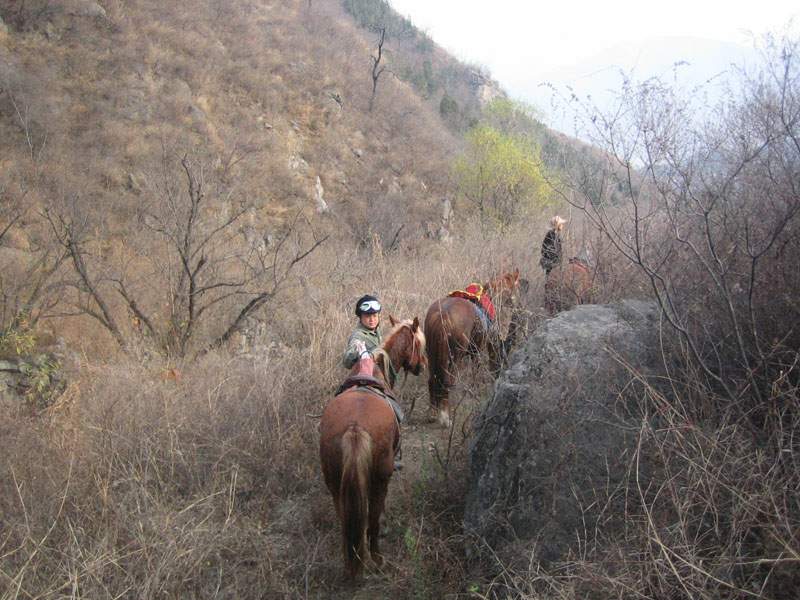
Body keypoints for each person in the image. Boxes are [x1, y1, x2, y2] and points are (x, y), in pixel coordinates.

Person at [342, 294, 404, 470]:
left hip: (372, 376)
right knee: (394, 411)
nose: (372, 319)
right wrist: (358, 352)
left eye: (375, 315)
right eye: (368, 316)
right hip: (362, 378)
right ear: (360, 317)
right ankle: (392, 453)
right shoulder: (358, 336)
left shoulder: (375, 332)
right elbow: (347, 360)